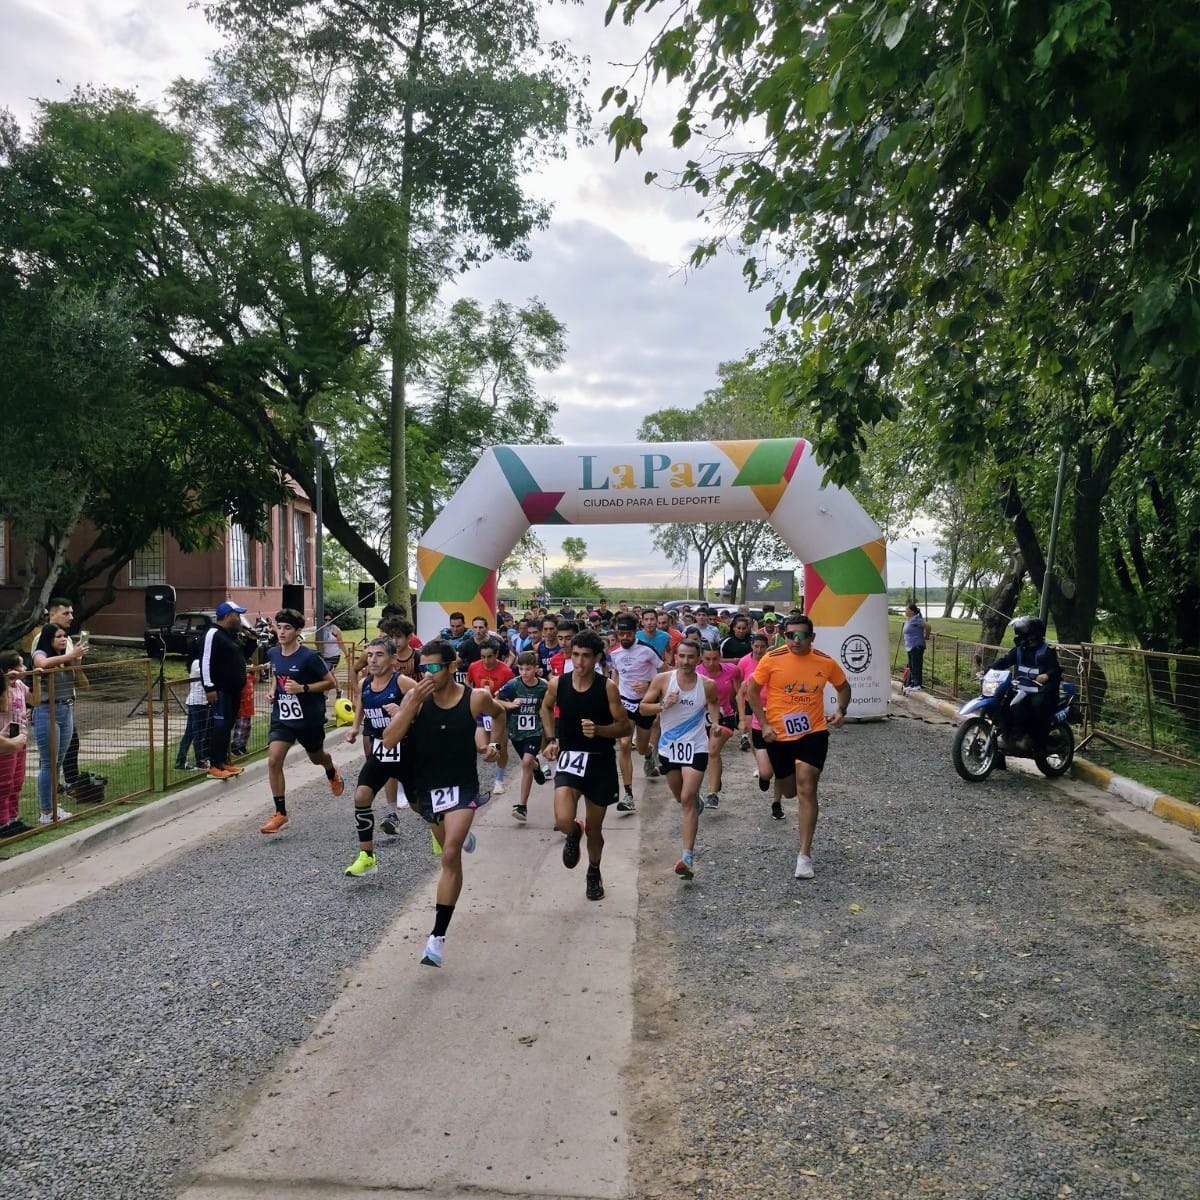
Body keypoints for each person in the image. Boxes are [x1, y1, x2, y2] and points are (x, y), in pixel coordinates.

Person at [378, 640, 508, 967]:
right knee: (449, 845)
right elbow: (389, 740)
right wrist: (410, 704)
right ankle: (461, 833)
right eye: (424, 668)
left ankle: (436, 937)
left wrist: (493, 744)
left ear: (452, 668)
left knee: (450, 855)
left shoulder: (475, 698)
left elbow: (499, 715)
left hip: (463, 786)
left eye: (434, 668)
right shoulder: (416, 699)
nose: (427, 674)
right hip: (428, 789)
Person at [747, 614, 852, 880]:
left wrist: (841, 709)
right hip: (779, 736)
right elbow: (752, 691)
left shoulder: (824, 662)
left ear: (812, 637)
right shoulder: (772, 658)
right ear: (784, 635)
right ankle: (776, 780)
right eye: (790, 634)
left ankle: (804, 855)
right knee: (791, 791)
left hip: (813, 732)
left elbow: (843, 687)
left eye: (801, 635)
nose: (795, 640)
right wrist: (763, 724)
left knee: (807, 785)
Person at [540, 630, 632, 902]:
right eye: (576, 654)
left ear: (597, 658)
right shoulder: (558, 684)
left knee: (595, 828)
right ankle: (572, 831)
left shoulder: (607, 688)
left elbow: (625, 726)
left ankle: (593, 871)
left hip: (599, 761)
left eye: (586, 656)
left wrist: (601, 730)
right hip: (570, 759)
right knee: (563, 820)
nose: (579, 661)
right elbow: (545, 708)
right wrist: (551, 738)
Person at [639, 640, 720, 880]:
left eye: (691, 657)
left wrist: (715, 722)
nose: (686, 661)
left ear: (699, 659)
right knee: (680, 797)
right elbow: (643, 708)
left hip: (696, 747)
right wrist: (663, 704)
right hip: (668, 748)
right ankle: (697, 803)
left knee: (686, 798)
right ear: (675, 657)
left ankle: (687, 857)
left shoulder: (707, 685)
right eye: (682, 656)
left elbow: (714, 703)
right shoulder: (663, 680)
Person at [260, 608, 344, 835]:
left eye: (287, 628)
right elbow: (278, 678)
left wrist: (303, 688)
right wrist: (272, 691)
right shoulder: (273, 654)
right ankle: (280, 813)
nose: (282, 632)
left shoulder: (309, 657)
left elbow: (331, 683)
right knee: (274, 760)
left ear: (298, 631)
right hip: (283, 718)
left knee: (317, 758)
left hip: (308, 718)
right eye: (279, 627)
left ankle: (331, 769)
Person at [342, 637, 418, 877]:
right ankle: (367, 857)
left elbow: (425, 707)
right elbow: (362, 704)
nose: (373, 660)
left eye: (379, 655)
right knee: (362, 795)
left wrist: (405, 713)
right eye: (370, 655)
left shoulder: (403, 683)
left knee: (419, 805)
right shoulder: (365, 682)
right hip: (381, 751)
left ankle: (444, 836)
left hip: (407, 751)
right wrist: (355, 726)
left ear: (393, 659)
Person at [31, 620, 84, 822]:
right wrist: (70, 656)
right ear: (49, 639)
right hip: (46, 711)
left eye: (65, 637)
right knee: (49, 763)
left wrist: (75, 663)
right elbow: (42, 664)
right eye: (59, 637)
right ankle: (46, 811)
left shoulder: (67, 659)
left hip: (66, 709)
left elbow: (82, 683)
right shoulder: (40, 653)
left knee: (59, 762)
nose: (63, 640)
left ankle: (54, 805)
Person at [989, 616, 1062, 749]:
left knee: (1035, 707)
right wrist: (987, 670)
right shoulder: (1019, 650)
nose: (1020, 636)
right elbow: (1004, 662)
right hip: (1020, 690)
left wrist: (1046, 675)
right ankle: (1005, 739)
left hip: (1041, 691)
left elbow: (1056, 670)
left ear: (1033, 634)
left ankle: (1037, 742)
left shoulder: (1047, 651)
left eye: (1022, 633)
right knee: (1003, 707)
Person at [496, 651, 550, 822]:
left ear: (536, 668)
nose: (524, 673)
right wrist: (510, 704)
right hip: (515, 731)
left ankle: (522, 806)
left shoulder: (543, 686)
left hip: (534, 731)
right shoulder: (513, 685)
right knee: (529, 763)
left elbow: (549, 706)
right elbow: (496, 699)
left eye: (528, 669)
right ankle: (537, 768)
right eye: (521, 669)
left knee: (525, 762)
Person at [201, 601, 250, 781]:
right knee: (220, 727)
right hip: (220, 690)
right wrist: (209, 687)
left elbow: (241, 656)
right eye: (237, 615)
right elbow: (205, 661)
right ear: (228, 616)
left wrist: (250, 641)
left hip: (234, 689)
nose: (239, 619)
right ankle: (214, 764)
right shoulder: (213, 633)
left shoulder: (230, 635)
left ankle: (223, 761)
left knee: (228, 725)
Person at [697, 643, 743, 809]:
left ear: (720, 657)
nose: (711, 663)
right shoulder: (696, 673)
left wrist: (738, 695)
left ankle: (712, 794)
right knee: (702, 754)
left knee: (713, 749)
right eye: (707, 659)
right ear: (701, 658)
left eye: (715, 659)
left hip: (725, 717)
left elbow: (739, 677)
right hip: (700, 718)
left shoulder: (730, 669)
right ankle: (713, 782)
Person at [466, 643, 515, 794]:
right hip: (481, 712)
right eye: (483, 657)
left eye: (489, 657)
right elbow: (468, 684)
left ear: (497, 654)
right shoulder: (474, 667)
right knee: (481, 747)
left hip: (499, 712)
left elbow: (511, 695)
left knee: (500, 747)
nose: (486, 661)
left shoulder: (506, 672)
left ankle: (499, 780)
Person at [0, 652, 30, 835]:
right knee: (4, 782)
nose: (25, 668)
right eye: (21, 665)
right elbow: (3, 707)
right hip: (5, 740)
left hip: (19, 736)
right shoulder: (4, 688)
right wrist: (5, 683)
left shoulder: (20, 685)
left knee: (17, 781)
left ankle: (13, 819)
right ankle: (2, 823)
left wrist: (38, 679)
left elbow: (34, 699)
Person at [175, 655, 211, 771]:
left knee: (190, 733)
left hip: (196, 701)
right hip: (199, 702)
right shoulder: (199, 663)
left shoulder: (197, 662)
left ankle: (181, 760)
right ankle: (200, 760)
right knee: (198, 734)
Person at [316, 609, 349, 694]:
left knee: (330, 673)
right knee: (329, 675)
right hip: (324, 655)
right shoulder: (320, 629)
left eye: (329, 620)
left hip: (334, 655)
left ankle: (325, 696)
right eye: (325, 619)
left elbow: (341, 643)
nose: (327, 621)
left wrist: (346, 654)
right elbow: (317, 643)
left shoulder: (336, 629)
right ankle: (338, 690)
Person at [902, 604, 931, 693]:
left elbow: (928, 626)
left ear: (912, 611)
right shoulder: (909, 619)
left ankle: (917, 684)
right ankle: (913, 683)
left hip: (916, 646)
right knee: (911, 665)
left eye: (907, 609)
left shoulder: (916, 619)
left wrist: (926, 636)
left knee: (916, 665)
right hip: (910, 646)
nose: (905, 611)